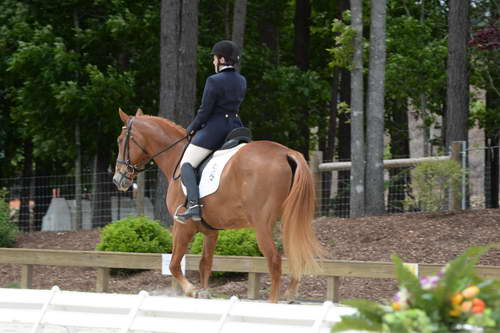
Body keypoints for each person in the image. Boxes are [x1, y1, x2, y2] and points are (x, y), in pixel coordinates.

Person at [175, 40, 247, 223]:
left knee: (186, 164)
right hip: (236, 127)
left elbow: (204, 112)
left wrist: (190, 129)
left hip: (216, 129)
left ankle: (193, 206)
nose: (213, 61)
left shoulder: (213, 80)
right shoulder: (241, 80)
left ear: (221, 59)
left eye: (215, 58)